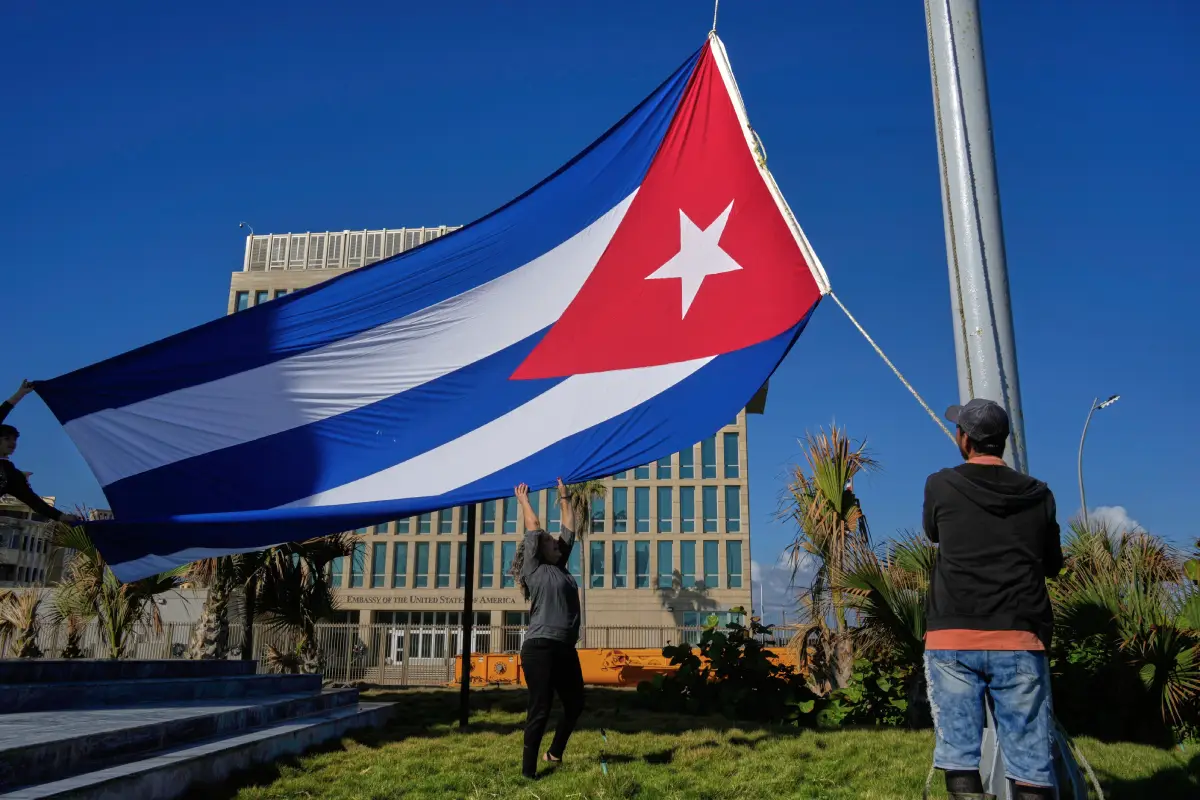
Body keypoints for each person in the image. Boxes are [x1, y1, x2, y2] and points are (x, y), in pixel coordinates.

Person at [923, 398, 1063, 800]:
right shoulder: (1039, 494)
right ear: (1003, 440)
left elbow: (933, 532)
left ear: (964, 439)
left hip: (953, 636)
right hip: (1020, 635)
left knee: (959, 757)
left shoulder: (940, 485)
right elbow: (1053, 564)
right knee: (1031, 763)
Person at [511, 478, 583, 780]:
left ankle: (554, 753)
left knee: (575, 704)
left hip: (564, 648)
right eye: (551, 543)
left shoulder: (560, 566)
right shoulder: (535, 569)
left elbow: (569, 529)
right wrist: (524, 500)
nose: (557, 543)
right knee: (540, 708)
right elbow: (534, 528)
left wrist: (564, 496)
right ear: (539, 550)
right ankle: (528, 773)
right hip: (540, 647)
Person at [1, 380, 82, 524]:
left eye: (14, 440)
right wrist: (20, 394)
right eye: (7, 439)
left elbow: (33, 501)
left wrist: (61, 516)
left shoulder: (11, 474)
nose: (12, 443)